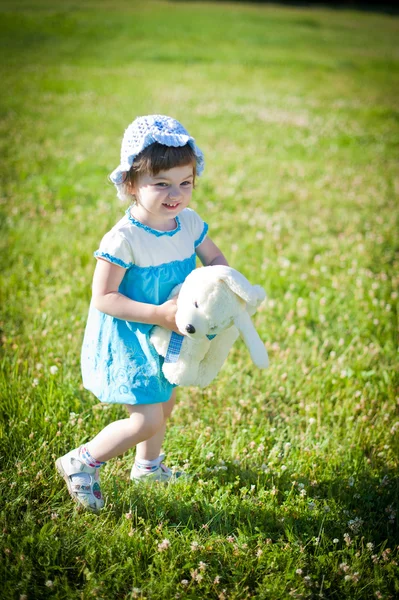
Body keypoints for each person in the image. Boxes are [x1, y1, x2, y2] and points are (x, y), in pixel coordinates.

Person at [56, 115, 229, 512]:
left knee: (164, 403)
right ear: (131, 184)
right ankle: (81, 461)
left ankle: (148, 467)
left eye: (186, 182)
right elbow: (104, 296)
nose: (176, 194)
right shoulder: (124, 238)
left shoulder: (188, 223)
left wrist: (223, 282)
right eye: (162, 183)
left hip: (170, 332)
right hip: (131, 335)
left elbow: (214, 257)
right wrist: (158, 314)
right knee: (146, 418)